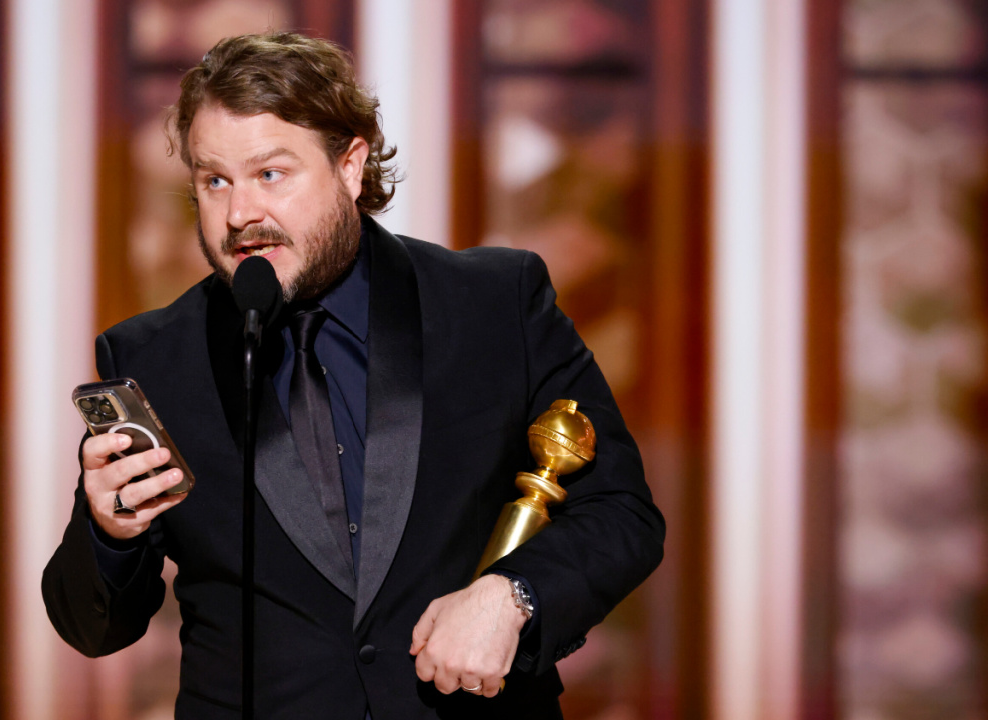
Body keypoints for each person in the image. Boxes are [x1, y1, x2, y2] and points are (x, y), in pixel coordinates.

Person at [42, 31, 664, 719]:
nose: (239, 212)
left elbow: (622, 514)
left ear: (350, 164)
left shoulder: (495, 304)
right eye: (214, 179)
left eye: (270, 174)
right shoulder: (153, 356)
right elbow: (92, 627)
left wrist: (514, 595)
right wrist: (109, 531)